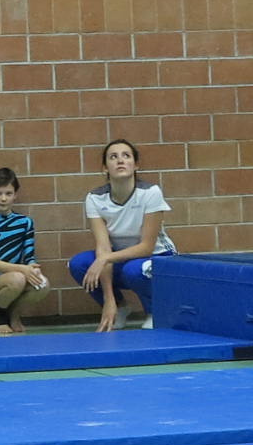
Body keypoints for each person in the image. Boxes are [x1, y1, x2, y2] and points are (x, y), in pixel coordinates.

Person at [69, 139, 174, 332]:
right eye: (113, 157)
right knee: (79, 264)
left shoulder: (150, 193)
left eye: (126, 156)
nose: (120, 160)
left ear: (136, 165)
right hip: (119, 258)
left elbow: (146, 247)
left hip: (157, 257)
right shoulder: (94, 198)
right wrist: (109, 300)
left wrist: (105, 258)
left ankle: (156, 311)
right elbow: (103, 248)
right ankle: (120, 308)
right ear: (105, 168)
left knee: (132, 270)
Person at [0, 166, 50, 334]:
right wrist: (22, 269)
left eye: (8, 193)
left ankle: (13, 312)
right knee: (17, 278)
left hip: (17, 278)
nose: (3, 198)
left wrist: (33, 269)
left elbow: (29, 256)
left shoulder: (25, 222)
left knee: (43, 284)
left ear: (15, 195)